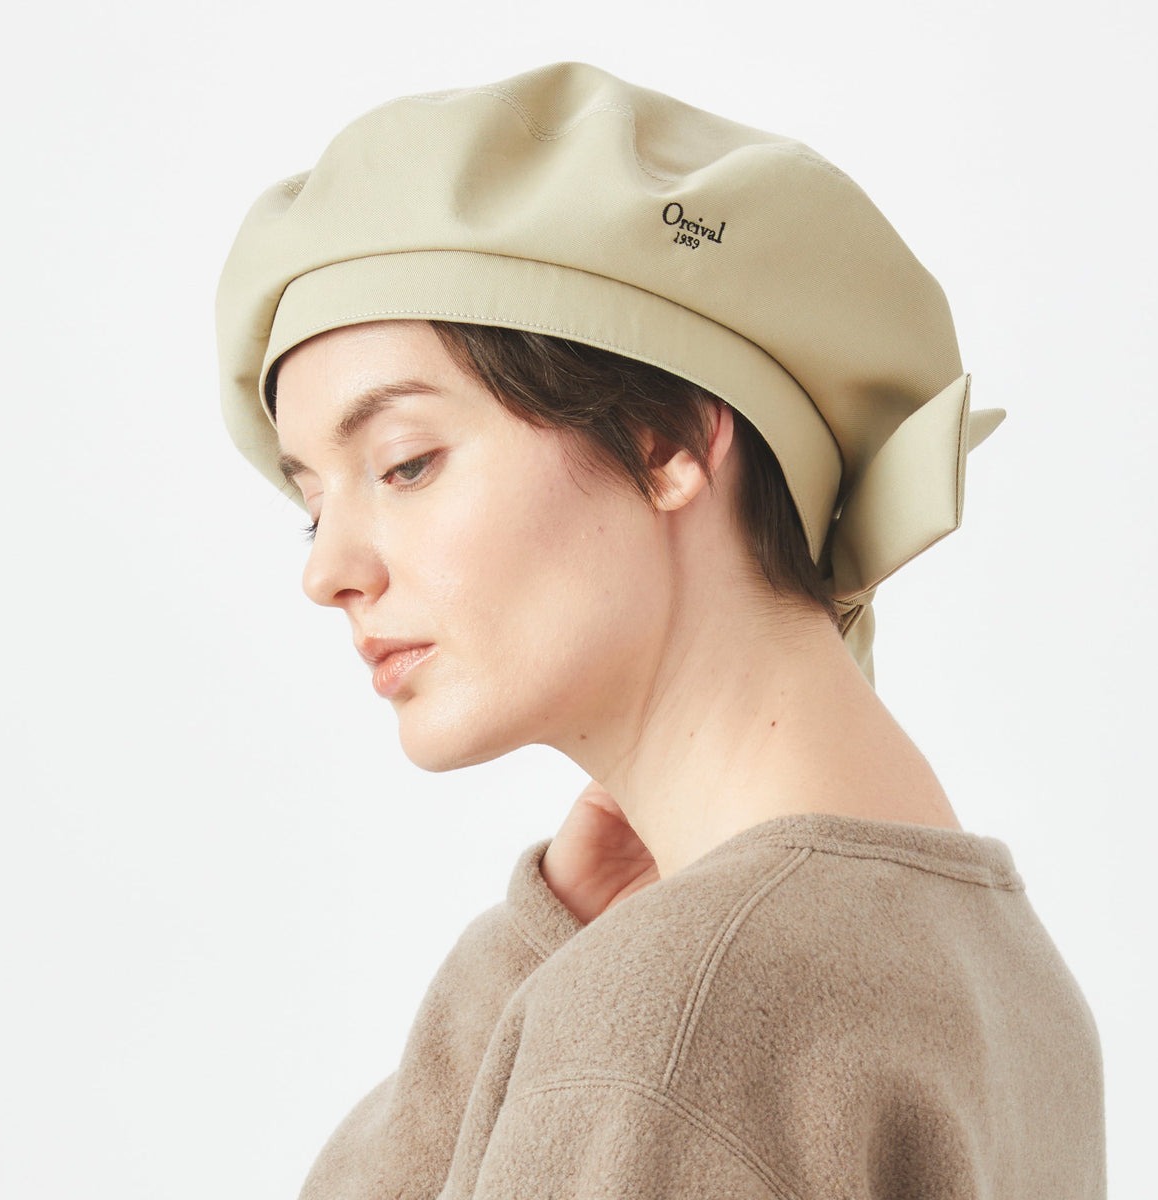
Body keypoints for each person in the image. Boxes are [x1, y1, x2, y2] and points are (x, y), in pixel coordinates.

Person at [215, 62, 1106, 1198]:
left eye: (406, 464)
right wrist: (539, 958)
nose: (328, 572)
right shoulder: (1009, 980)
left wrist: (595, 1001)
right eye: (312, 508)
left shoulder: (665, 1029)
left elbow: (666, 1049)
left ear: (666, 441)